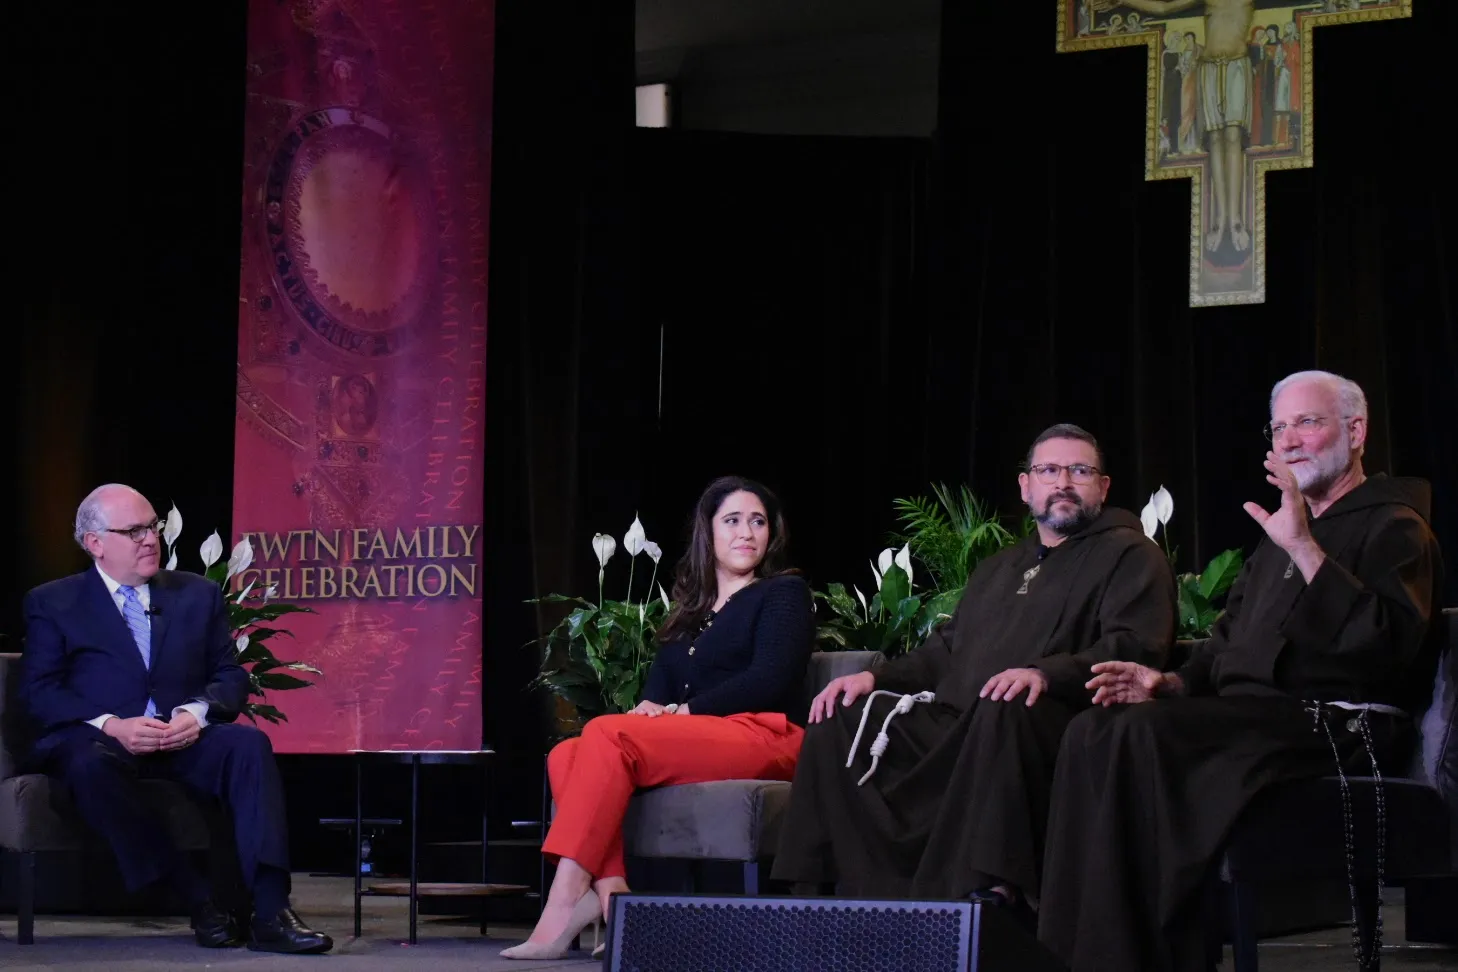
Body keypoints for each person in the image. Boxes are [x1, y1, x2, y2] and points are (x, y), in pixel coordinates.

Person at [1037, 371, 1443, 972]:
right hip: (1255, 720)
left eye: (1308, 422)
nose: (1290, 440)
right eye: (1279, 427)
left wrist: (1306, 548)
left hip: (1341, 726)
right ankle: (1073, 956)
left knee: (1140, 737)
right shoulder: (1280, 533)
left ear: (1356, 431)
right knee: (1093, 729)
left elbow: (1385, 653)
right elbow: (1227, 644)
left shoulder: (1397, 525)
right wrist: (1167, 683)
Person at [769, 425, 1176, 920]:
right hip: (959, 723)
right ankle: (827, 892)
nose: (1063, 481)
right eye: (1048, 470)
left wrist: (1045, 674)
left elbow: (1132, 644)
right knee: (838, 713)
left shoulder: (1132, 554)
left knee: (1007, 705)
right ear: (1026, 487)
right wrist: (875, 679)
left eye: (1079, 470)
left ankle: (987, 888)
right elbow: (946, 652)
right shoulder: (1000, 567)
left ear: (1104, 486)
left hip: (1050, 720)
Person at [503, 476, 815, 959]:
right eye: (732, 521)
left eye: (758, 522)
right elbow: (660, 692)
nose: (747, 533)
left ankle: (566, 897)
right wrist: (653, 708)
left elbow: (770, 679)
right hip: (702, 736)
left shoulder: (783, 594)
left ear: (771, 533)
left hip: (767, 735)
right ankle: (616, 901)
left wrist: (683, 712)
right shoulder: (689, 611)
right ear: (707, 533)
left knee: (603, 731)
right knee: (567, 753)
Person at [18, 484, 332, 954]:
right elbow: (39, 691)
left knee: (248, 746)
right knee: (88, 765)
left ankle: (271, 911)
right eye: (133, 531)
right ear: (95, 543)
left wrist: (196, 713)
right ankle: (197, 898)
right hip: (100, 743)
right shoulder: (53, 602)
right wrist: (111, 724)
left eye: (153, 527)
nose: (150, 539)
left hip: (180, 738)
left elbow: (229, 675)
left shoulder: (196, 594)